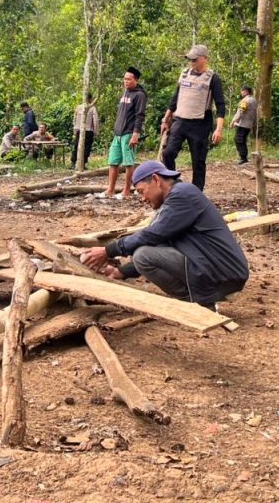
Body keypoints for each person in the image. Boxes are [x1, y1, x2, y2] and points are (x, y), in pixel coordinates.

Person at [81, 161, 249, 309]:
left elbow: (152, 235)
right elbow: (160, 242)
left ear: (155, 180)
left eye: (141, 191)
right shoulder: (176, 199)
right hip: (219, 269)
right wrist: (122, 272)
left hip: (224, 270)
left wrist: (108, 251)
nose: (142, 198)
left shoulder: (182, 194)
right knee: (147, 253)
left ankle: (200, 304)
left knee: (142, 256)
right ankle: (199, 302)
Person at [160, 44, 227, 190]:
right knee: (168, 152)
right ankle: (173, 185)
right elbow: (175, 98)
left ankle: (197, 192)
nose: (191, 62)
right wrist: (166, 120)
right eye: (190, 60)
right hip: (180, 120)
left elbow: (221, 106)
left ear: (204, 59)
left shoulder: (213, 78)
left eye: (194, 60)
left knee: (198, 160)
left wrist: (219, 129)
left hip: (200, 124)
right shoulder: (185, 74)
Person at [98, 68, 147, 199]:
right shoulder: (126, 92)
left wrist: (135, 134)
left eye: (129, 79)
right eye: (124, 79)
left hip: (129, 133)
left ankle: (126, 191)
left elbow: (140, 116)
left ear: (136, 80)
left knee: (128, 163)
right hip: (118, 134)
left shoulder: (140, 95)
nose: (125, 81)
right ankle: (110, 190)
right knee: (113, 162)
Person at [231, 85, 258, 165]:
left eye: (242, 91)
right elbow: (255, 114)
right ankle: (243, 157)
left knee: (238, 140)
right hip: (249, 124)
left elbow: (240, 112)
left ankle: (243, 158)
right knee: (242, 140)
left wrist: (233, 121)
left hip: (242, 124)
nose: (241, 93)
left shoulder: (245, 101)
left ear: (245, 91)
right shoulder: (254, 100)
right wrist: (254, 125)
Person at [71, 93, 99, 168]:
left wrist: (75, 130)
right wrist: (96, 131)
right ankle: (82, 163)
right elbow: (95, 120)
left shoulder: (78, 107)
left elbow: (74, 119)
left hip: (79, 130)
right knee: (86, 147)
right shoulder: (92, 108)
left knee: (77, 146)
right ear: (90, 99)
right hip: (88, 130)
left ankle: (74, 163)